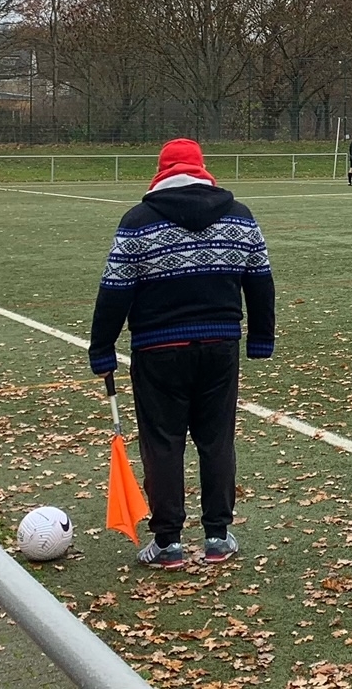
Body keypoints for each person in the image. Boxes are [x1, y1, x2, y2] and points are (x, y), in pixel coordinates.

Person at [88, 139, 275, 570]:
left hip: (157, 350)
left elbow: (114, 290)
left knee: (162, 444)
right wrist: (260, 339)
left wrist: (102, 349)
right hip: (220, 346)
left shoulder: (137, 222)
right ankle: (217, 536)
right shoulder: (240, 216)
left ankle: (168, 542)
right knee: (216, 440)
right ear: (202, 169)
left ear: (162, 172)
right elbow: (260, 281)